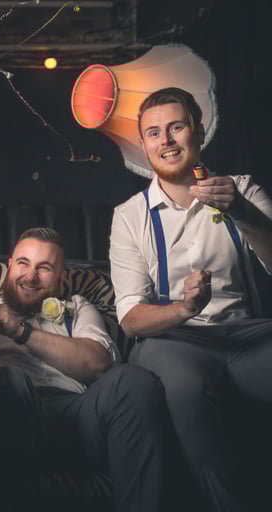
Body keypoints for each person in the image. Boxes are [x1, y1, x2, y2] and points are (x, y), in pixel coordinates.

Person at [109, 86, 272, 511]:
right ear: (144, 145)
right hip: (174, 341)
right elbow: (130, 318)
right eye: (154, 133)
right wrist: (183, 309)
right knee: (185, 388)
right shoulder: (130, 216)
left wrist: (242, 211)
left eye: (176, 127)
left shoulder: (242, 189)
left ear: (198, 132)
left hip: (246, 336)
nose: (165, 140)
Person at [0, 227, 171, 512]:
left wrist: (21, 331)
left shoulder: (77, 308)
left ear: (61, 277)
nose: (30, 276)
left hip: (75, 416)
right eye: (23, 263)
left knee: (133, 380)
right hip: (8, 414)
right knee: (9, 379)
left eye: (44, 268)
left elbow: (97, 363)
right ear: (9, 266)